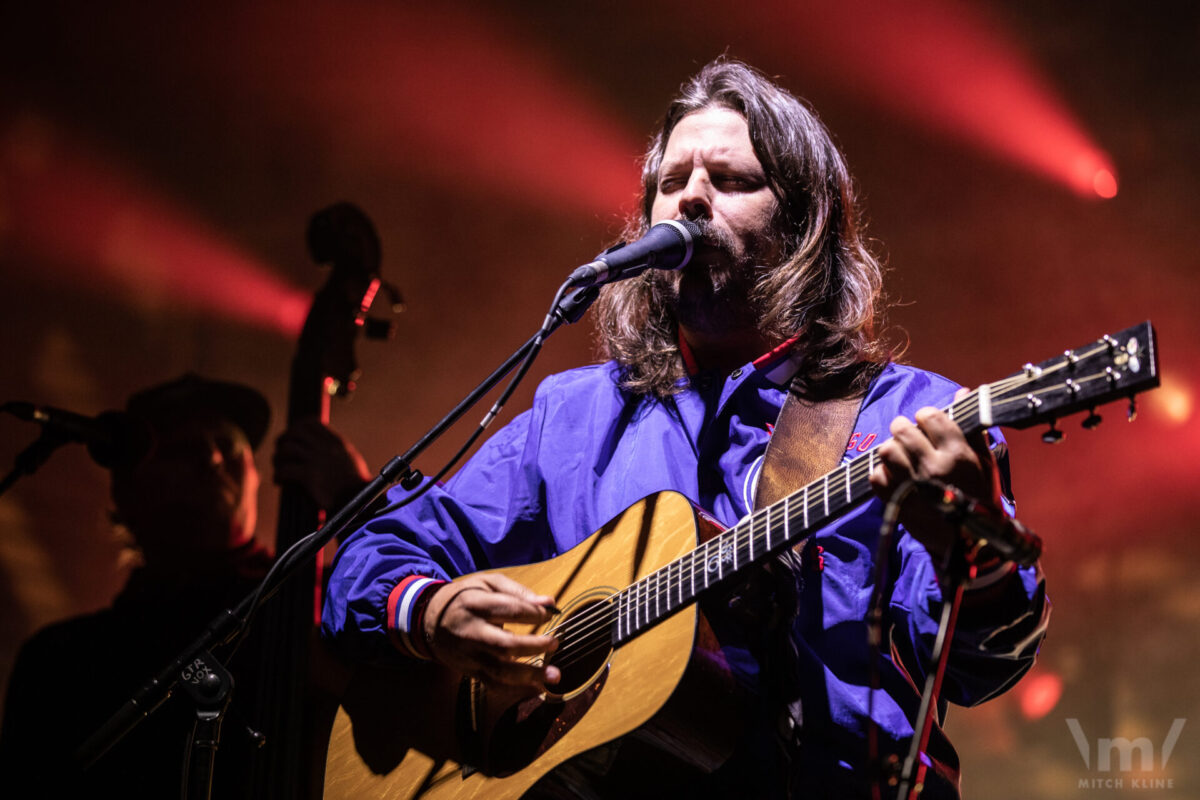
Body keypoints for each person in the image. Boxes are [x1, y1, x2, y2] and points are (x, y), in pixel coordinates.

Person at [320, 59, 1049, 798]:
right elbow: (377, 551)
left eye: (730, 181)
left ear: (804, 223)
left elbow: (981, 668)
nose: (691, 199)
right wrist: (427, 611)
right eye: (672, 183)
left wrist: (979, 552)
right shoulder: (573, 417)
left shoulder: (907, 420)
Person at [0, 373, 370, 799]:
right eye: (182, 450)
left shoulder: (321, 605)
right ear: (126, 491)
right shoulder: (62, 661)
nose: (212, 459)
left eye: (229, 448)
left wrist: (355, 500)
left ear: (255, 477)